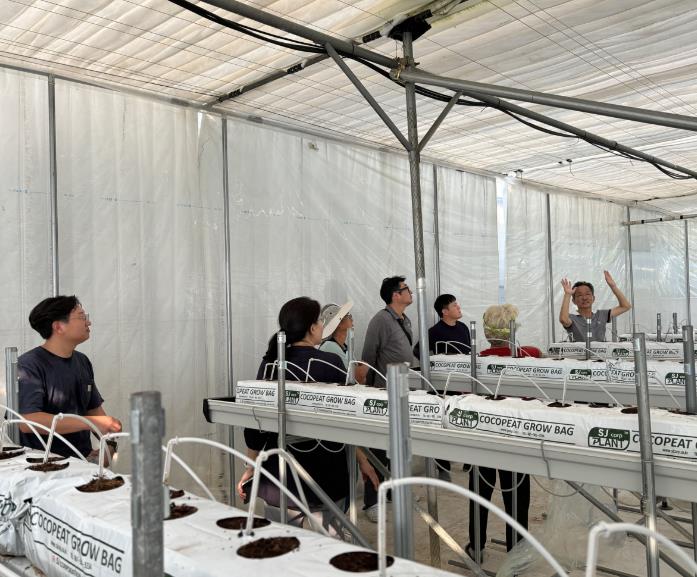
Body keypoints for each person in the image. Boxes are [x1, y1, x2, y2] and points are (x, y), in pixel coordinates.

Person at [236, 297, 377, 534]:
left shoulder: (271, 363)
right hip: (325, 473)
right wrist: (363, 460)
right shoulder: (330, 362)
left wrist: (250, 466)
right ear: (312, 328)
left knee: (281, 545)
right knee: (328, 548)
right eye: (320, 322)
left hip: (280, 476)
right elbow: (347, 422)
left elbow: (256, 425)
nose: (322, 326)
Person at [17, 296, 122, 459]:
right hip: (43, 466)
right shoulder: (29, 365)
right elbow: (28, 421)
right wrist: (91, 422)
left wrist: (109, 445)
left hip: (82, 463)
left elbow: (94, 410)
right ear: (58, 326)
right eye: (82, 317)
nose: (88, 322)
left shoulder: (82, 361)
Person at [467, 303, 533, 558]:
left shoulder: (476, 360)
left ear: (486, 332)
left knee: (479, 493)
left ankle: (476, 547)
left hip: (482, 435)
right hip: (516, 437)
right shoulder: (529, 356)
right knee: (517, 498)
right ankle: (516, 555)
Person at [355, 276, 416, 522]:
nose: (410, 292)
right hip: (382, 394)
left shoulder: (404, 319)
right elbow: (367, 359)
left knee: (398, 446)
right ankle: (372, 501)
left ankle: (392, 490)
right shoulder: (380, 320)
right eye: (406, 289)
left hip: (402, 392)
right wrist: (367, 393)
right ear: (395, 295)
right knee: (378, 448)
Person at [413, 293, 471, 481]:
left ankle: (469, 460)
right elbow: (417, 350)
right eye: (454, 306)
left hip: (466, 382)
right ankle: (443, 468)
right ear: (445, 312)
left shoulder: (463, 328)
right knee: (443, 423)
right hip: (443, 385)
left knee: (466, 419)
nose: (459, 308)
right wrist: (433, 364)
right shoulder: (434, 331)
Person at [559, 270, 632, 342]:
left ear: (593, 298)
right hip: (579, 350)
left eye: (587, 294)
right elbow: (564, 320)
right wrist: (567, 294)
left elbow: (625, 306)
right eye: (579, 295)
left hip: (601, 350)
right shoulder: (572, 318)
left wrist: (613, 286)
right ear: (574, 301)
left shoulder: (601, 315)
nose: (584, 298)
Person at [318, 301, 353, 368]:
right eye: (347, 315)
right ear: (338, 323)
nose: (351, 318)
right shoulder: (329, 346)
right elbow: (353, 373)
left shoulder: (343, 346)